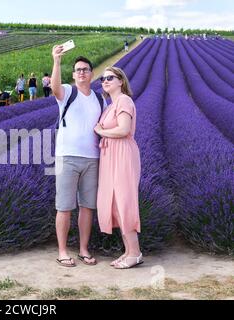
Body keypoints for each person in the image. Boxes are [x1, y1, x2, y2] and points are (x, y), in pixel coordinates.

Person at [51, 45, 107, 267]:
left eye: (85, 69)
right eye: (78, 70)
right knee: (64, 206)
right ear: (73, 75)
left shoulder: (100, 99)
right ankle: (63, 251)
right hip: (67, 156)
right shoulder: (67, 92)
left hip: (92, 159)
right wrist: (56, 60)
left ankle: (83, 249)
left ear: (92, 74)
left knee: (87, 206)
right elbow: (54, 87)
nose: (82, 72)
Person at [94, 67, 143, 269]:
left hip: (122, 153)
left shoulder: (124, 101)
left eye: (109, 78)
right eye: (103, 78)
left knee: (124, 201)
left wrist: (100, 131)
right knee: (115, 202)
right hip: (111, 155)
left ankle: (136, 253)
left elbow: (123, 130)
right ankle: (128, 251)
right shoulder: (110, 105)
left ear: (120, 81)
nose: (105, 81)